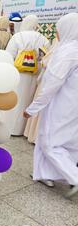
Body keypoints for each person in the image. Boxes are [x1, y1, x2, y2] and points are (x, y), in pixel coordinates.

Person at [24, 13, 78, 198]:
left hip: (61, 104)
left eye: (59, 29)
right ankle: (45, 174)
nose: (57, 33)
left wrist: (32, 108)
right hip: (72, 105)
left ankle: (74, 177)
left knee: (50, 142)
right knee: (65, 141)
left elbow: (53, 83)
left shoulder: (69, 52)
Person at [5, 15, 50, 136]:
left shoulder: (17, 36)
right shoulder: (43, 38)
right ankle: (23, 130)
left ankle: (10, 128)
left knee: (15, 100)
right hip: (34, 74)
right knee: (28, 100)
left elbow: (9, 55)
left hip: (17, 73)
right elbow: (45, 56)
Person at [24, 39, 58, 143]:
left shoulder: (60, 46)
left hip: (48, 83)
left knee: (42, 107)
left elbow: (47, 62)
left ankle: (35, 135)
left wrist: (43, 59)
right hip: (51, 83)